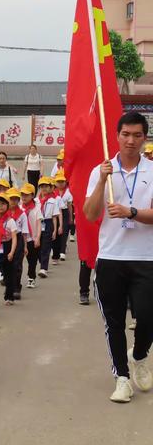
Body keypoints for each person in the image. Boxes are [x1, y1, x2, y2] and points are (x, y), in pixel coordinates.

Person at [84, 111, 153, 403]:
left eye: (137, 135)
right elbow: (90, 214)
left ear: (144, 138)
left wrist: (131, 212)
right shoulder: (102, 171)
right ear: (116, 136)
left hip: (146, 257)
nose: (131, 140)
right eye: (126, 134)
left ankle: (139, 355)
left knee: (148, 317)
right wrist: (101, 181)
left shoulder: (152, 171)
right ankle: (121, 378)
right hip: (111, 257)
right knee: (113, 322)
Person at [6, 188, 28, 300]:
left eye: (15, 199)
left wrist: (25, 246)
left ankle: (16, 288)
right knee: (6, 264)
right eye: (11, 199)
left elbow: (24, 232)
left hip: (18, 239)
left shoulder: (22, 214)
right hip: (6, 239)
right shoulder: (3, 213)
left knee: (17, 264)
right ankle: (9, 284)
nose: (13, 201)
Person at [21, 183, 43, 289]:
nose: (24, 197)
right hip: (21, 239)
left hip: (32, 238)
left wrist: (38, 238)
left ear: (32, 196)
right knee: (18, 261)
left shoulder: (36, 209)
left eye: (27, 195)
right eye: (22, 195)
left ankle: (31, 277)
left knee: (32, 260)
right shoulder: (19, 208)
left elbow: (39, 224)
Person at [36, 177, 59, 278]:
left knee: (46, 246)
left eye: (46, 186)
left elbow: (54, 217)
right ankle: (42, 262)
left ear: (50, 188)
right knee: (38, 246)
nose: (44, 189)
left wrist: (54, 230)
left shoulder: (53, 201)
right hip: (38, 223)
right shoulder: (35, 201)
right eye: (42, 187)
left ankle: (43, 268)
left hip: (48, 223)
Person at [51, 172, 72, 263]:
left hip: (65, 212)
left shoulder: (68, 191)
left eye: (62, 181)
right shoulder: (52, 191)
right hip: (55, 213)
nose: (60, 183)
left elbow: (70, 206)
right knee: (56, 232)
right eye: (58, 181)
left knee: (64, 231)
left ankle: (62, 251)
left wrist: (71, 218)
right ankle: (56, 250)